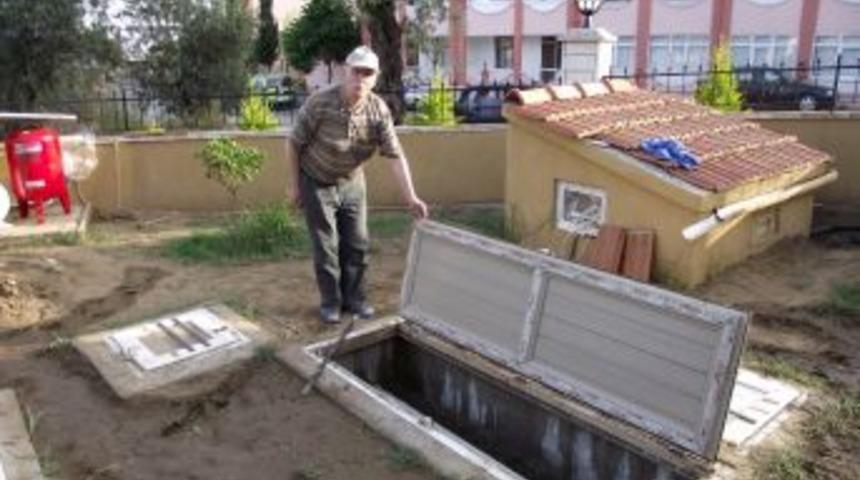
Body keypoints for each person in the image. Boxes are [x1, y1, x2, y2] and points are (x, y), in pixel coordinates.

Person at [287, 46, 428, 324]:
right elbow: (293, 143)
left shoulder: (378, 111)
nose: (360, 78)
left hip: (352, 182)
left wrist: (411, 197)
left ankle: (355, 299)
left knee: (357, 245)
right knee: (326, 247)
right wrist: (294, 187)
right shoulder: (320, 103)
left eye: (368, 73)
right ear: (345, 72)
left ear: (375, 78)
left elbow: (395, 155)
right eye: (356, 71)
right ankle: (331, 303)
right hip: (316, 181)